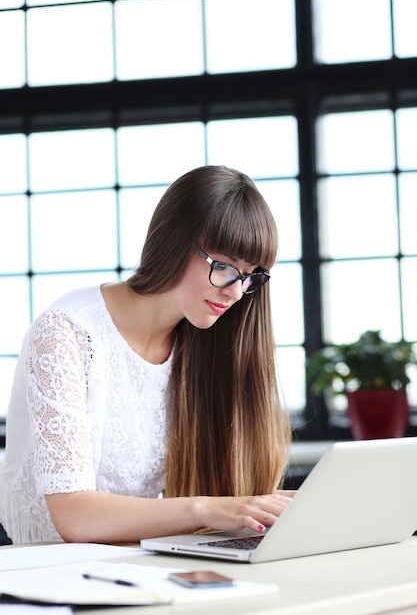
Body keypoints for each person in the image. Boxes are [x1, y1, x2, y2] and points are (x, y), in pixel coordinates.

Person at [0, 164, 293, 546]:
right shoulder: (68, 331)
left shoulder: (203, 343)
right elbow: (73, 516)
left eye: (250, 274)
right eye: (223, 267)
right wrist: (208, 509)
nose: (236, 292)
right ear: (172, 242)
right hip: (30, 561)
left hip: (121, 562)